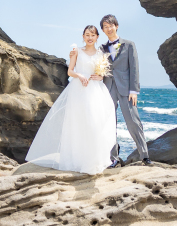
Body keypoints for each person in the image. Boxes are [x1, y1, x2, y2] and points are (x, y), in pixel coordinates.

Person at [25, 25, 117, 175]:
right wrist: (80, 75)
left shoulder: (101, 53)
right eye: (87, 35)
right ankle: (77, 160)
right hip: (79, 91)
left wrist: (100, 76)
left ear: (97, 37)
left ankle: (93, 160)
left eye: (92, 35)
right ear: (83, 36)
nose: (89, 37)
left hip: (95, 90)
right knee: (78, 124)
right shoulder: (77, 51)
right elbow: (70, 71)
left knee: (95, 123)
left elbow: (101, 72)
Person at [73, 14, 151, 168]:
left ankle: (145, 155)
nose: (108, 29)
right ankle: (113, 158)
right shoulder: (101, 48)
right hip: (107, 88)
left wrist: (134, 90)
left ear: (116, 26)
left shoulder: (129, 45)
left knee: (133, 121)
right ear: (102, 30)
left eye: (111, 26)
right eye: (105, 27)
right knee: (109, 123)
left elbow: (134, 68)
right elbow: (91, 61)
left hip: (126, 89)